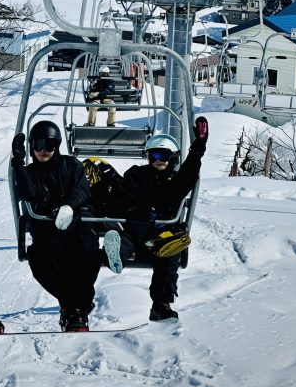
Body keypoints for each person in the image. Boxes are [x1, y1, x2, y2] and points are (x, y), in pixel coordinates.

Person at [96, 117, 209, 322]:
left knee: (169, 257)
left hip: (161, 235)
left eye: (164, 155)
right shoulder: (137, 175)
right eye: (155, 154)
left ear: (172, 157)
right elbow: (121, 196)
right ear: (148, 156)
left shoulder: (176, 182)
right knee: (124, 240)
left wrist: (199, 146)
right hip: (135, 229)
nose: (160, 159)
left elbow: (190, 171)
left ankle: (161, 305)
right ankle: (114, 256)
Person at [11, 120, 103, 332]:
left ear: (57, 146)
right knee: (40, 258)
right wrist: (17, 162)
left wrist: (69, 207)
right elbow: (27, 192)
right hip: (47, 229)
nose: (43, 151)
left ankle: (73, 310)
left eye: (49, 145)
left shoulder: (71, 165)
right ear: (31, 147)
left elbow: (82, 189)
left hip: (77, 223)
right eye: (38, 145)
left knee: (84, 252)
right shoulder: (31, 171)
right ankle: (77, 307)